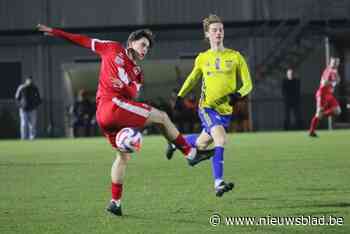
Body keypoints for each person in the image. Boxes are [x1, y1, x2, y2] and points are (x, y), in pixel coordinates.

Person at [37, 24, 214, 216]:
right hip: (110, 105)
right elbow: (83, 40)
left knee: (123, 157)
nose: (145, 49)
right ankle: (190, 154)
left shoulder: (137, 73)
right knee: (161, 117)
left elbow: (131, 94)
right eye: (143, 44)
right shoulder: (112, 48)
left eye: (148, 47)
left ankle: (115, 203)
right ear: (131, 42)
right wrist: (56, 32)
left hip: (111, 113)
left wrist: (123, 85)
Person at [166, 14, 253, 197]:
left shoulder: (236, 57)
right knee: (220, 140)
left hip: (225, 111)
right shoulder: (202, 58)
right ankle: (218, 183)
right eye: (214, 30)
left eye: (221, 29)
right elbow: (192, 78)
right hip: (206, 107)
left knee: (201, 142)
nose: (218, 33)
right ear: (207, 34)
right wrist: (180, 96)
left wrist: (237, 95)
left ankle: (177, 142)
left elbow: (248, 85)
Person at [309, 57, 341, 137]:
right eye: (333, 62)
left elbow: (338, 80)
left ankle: (322, 114)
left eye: (336, 62)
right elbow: (324, 82)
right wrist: (333, 82)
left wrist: (336, 79)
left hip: (329, 94)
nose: (334, 64)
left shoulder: (335, 71)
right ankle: (311, 131)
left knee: (337, 111)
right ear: (330, 62)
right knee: (318, 114)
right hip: (322, 93)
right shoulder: (328, 70)